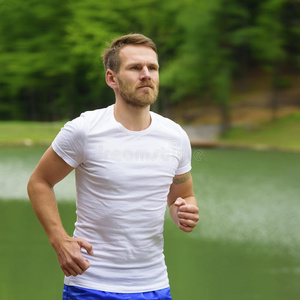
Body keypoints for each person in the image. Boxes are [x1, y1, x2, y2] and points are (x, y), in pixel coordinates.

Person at [27, 33, 199, 300]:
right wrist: (59, 239)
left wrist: (184, 212)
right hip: (90, 284)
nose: (146, 74)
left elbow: (181, 196)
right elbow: (39, 182)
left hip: (154, 285)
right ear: (112, 78)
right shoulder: (84, 130)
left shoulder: (175, 136)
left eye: (152, 68)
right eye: (135, 68)